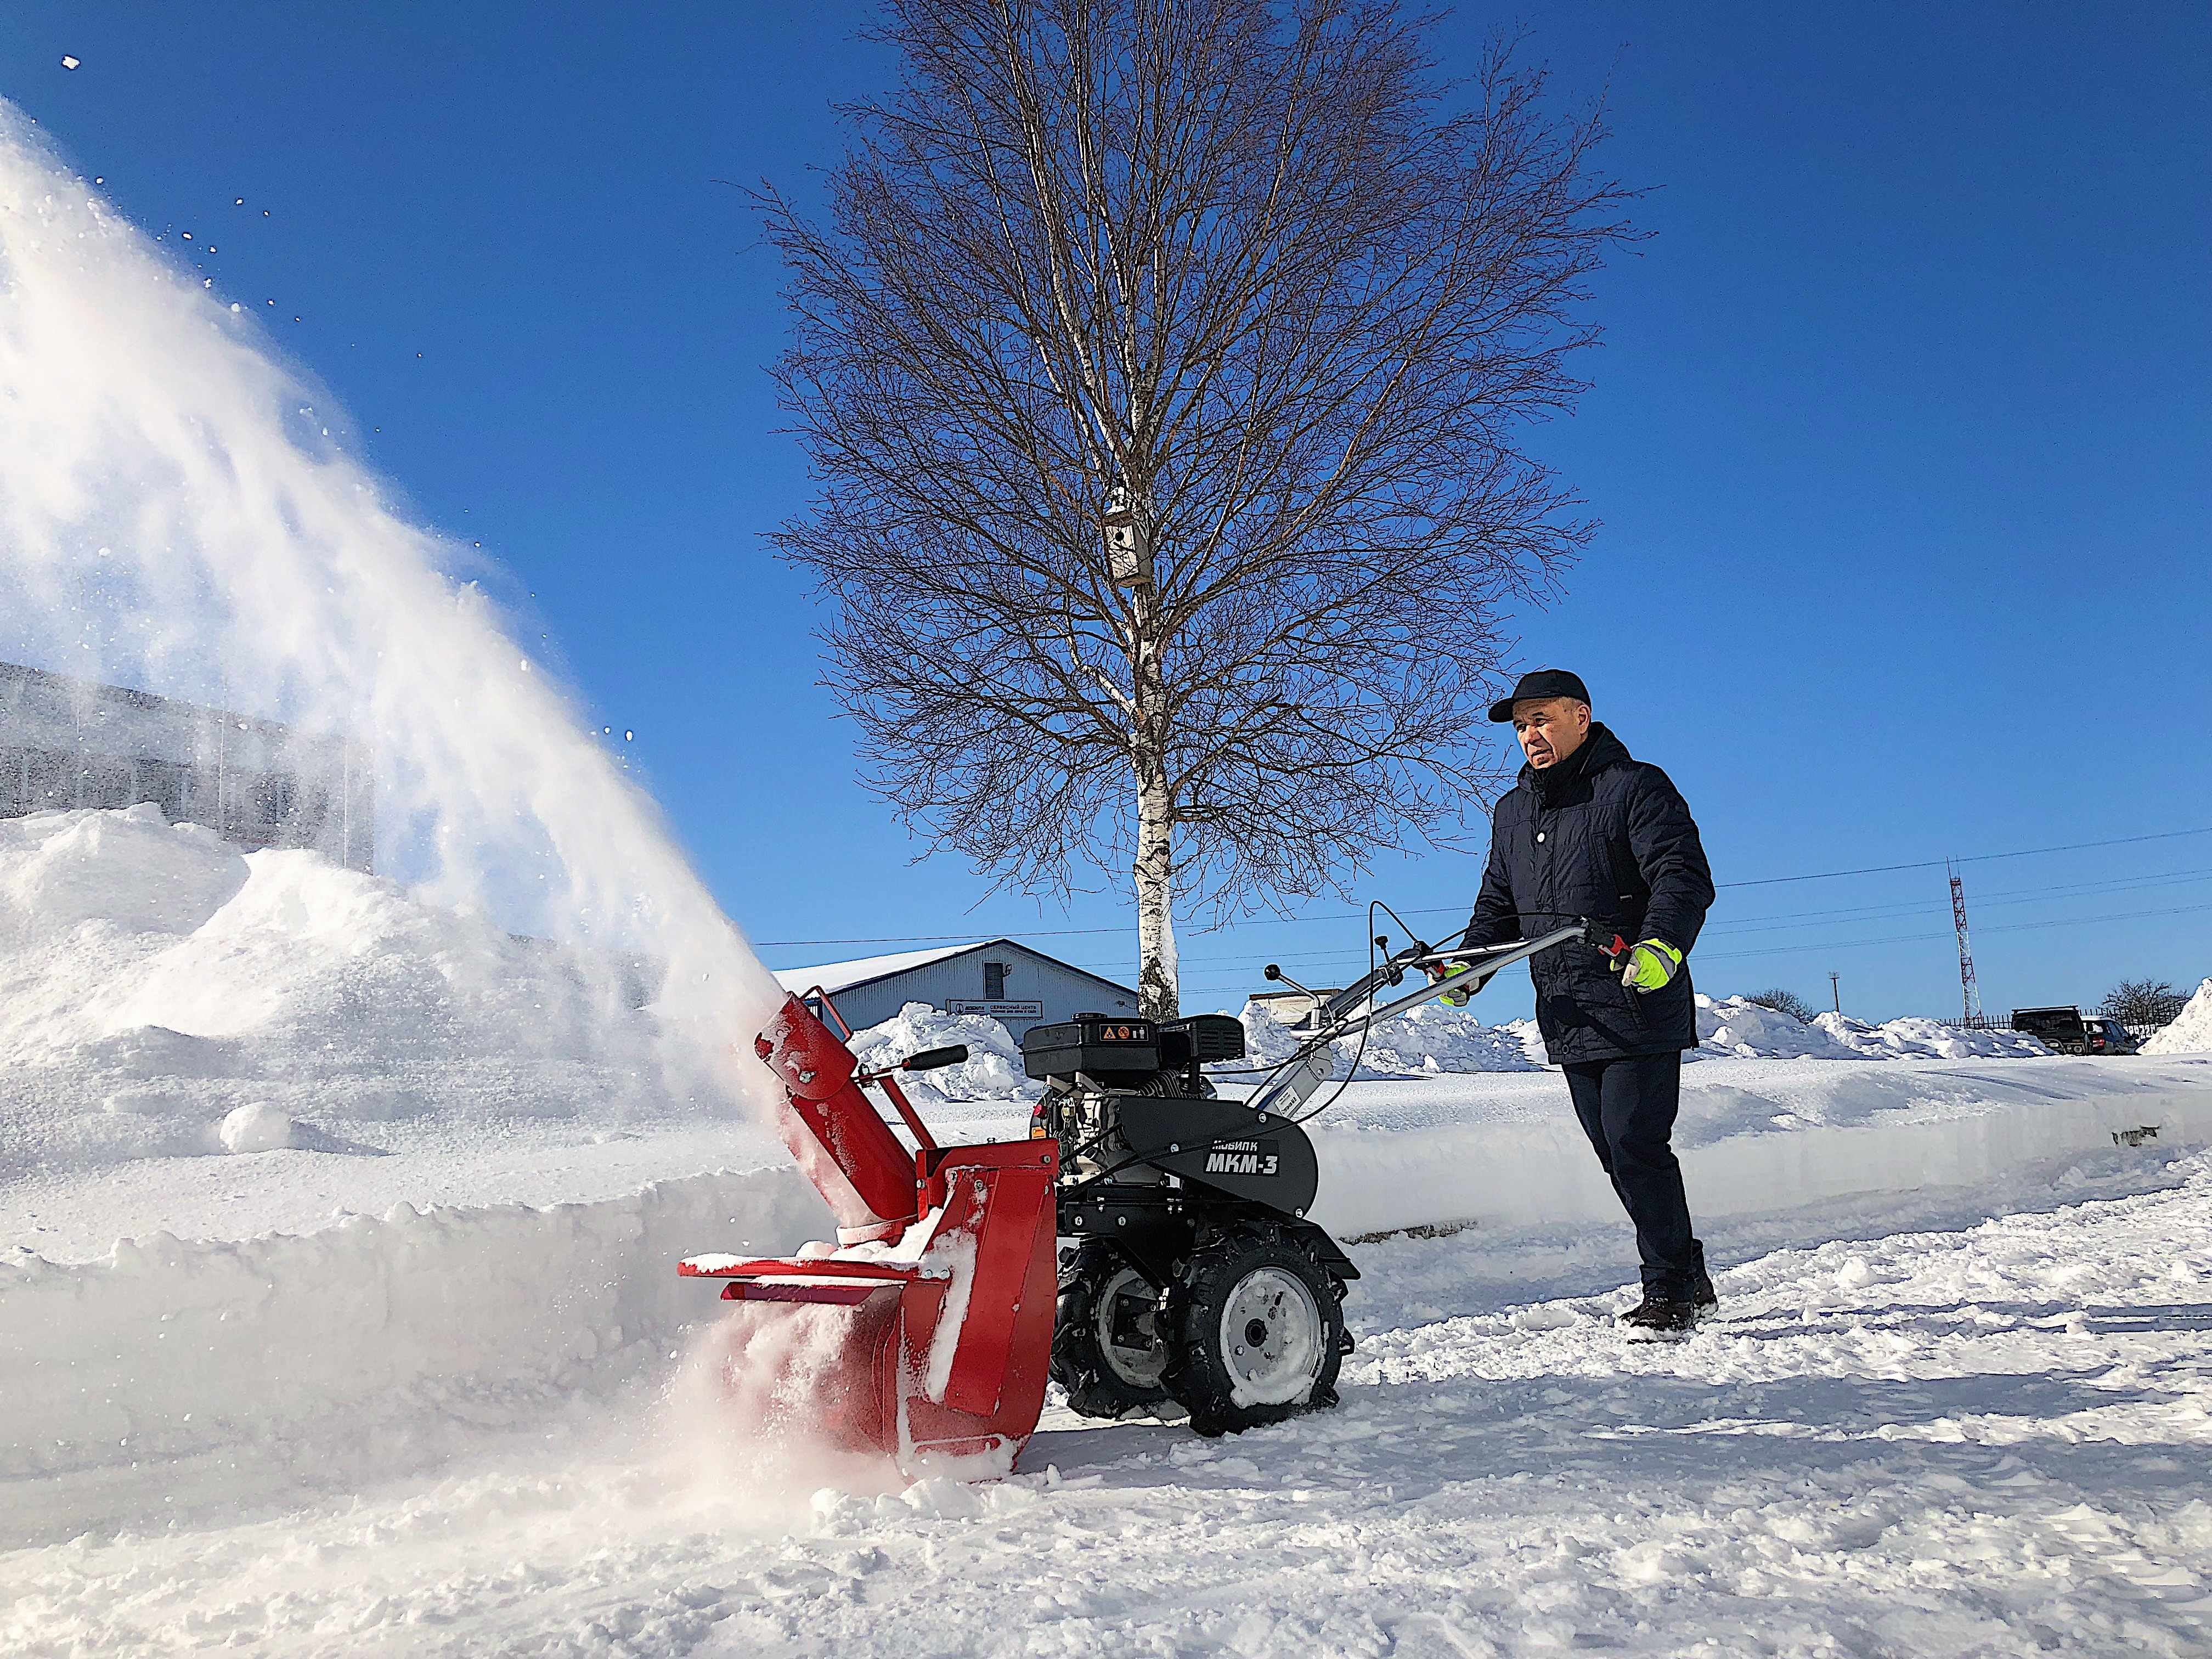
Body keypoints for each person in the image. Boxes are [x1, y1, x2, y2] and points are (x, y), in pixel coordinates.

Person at [1444, 668, 1719, 1336]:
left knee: (1635, 1142)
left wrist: (1662, 947)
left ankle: (1671, 1288)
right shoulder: (1514, 811)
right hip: (1568, 1009)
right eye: (1519, 727)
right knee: (1611, 1149)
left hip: (1636, 998)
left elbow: (1682, 877)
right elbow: (1499, 904)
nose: (1529, 736)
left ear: (1582, 717)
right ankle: (1686, 1270)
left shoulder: (1634, 787)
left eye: (1540, 720)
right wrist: (1469, 962)